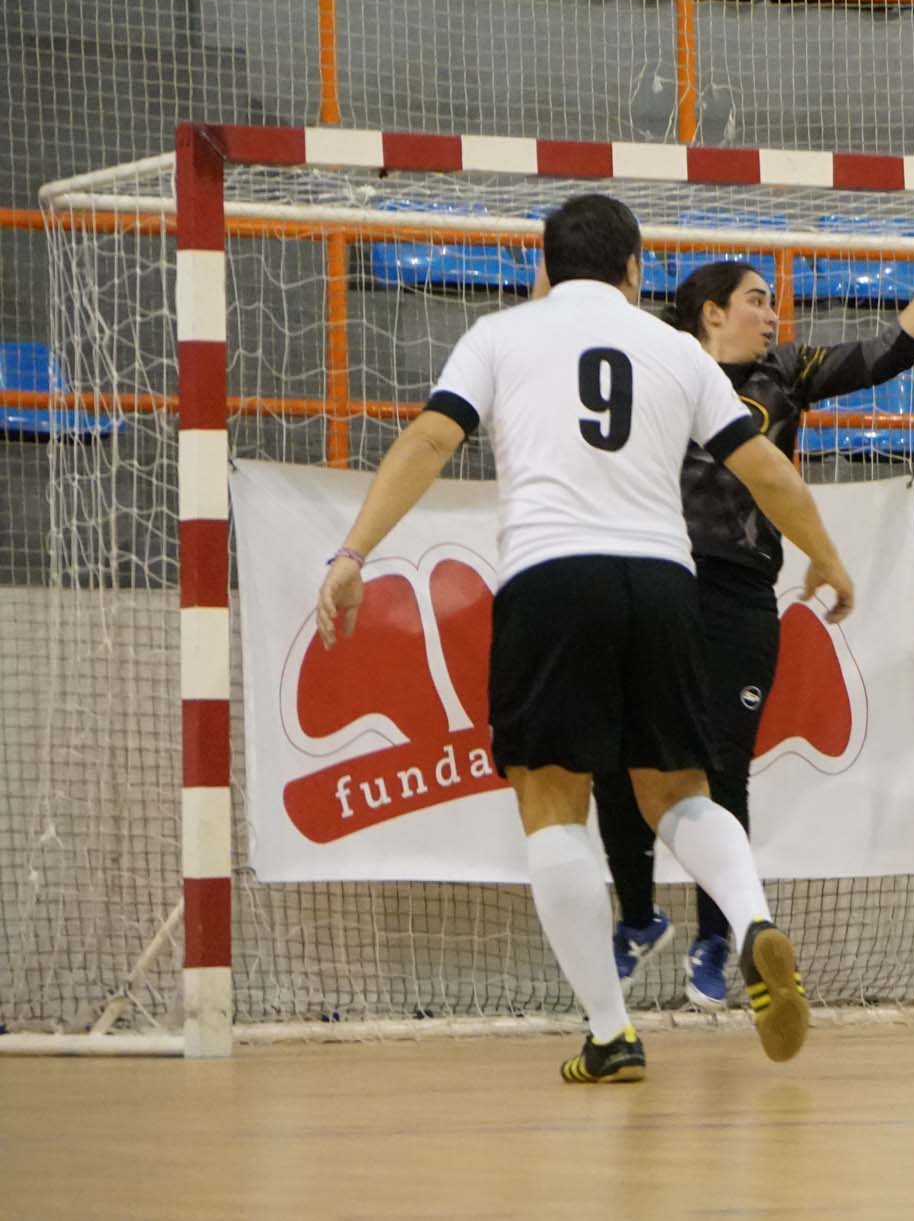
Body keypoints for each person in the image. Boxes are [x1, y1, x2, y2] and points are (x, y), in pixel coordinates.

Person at [314, 194, 853, 1084]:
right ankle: (750, 917)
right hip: (666, 584)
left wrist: (352, 550)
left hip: (551, 578)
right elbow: (764, 466)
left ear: (543, 268)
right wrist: (827, 558)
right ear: (637, 270)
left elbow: (429, 438)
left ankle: (611, 1034)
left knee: (553, 804)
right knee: (679, 791)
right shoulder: (678, 347)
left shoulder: (499, 334)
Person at [596, 227, 914, 1009]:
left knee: (721, 766)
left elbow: (889, 353)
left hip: (738, 592)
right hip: (656, 577)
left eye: (773, 302)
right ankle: (636, 916)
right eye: (757, 300)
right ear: (710, 312)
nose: (772, 315)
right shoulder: (656, 357)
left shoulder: (785, 372)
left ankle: (716, 936)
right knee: (618, 753)